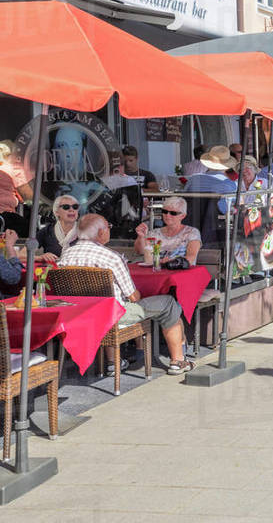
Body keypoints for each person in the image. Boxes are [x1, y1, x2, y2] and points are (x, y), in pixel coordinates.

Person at [59, 214, 193, 375]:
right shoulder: (111, 257)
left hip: (79, 314)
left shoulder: (66, 254)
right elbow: (134, 297)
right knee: (169, 303)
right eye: (108, 227)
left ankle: (113, 362)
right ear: (101, 233)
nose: (110, 230)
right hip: (112, 316)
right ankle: (178, 361)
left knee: (106, 300)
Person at [134, 195, 202, 266]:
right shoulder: (154, 233)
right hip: (156, 272)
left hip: (180, 273)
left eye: (173, 213)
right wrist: (141, 237)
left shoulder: (191, 232)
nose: (167, 215)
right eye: (165, 211)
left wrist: (172, 262)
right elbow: (140, 252)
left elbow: (191, 257)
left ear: (183, 216)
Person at [182, 146, 238, 212]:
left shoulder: (193, 179)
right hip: (218, 220)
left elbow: (184, 198)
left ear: (207, 164)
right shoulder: (231, 184)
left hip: (192, 218)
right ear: (227, 167)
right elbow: (231, 206)